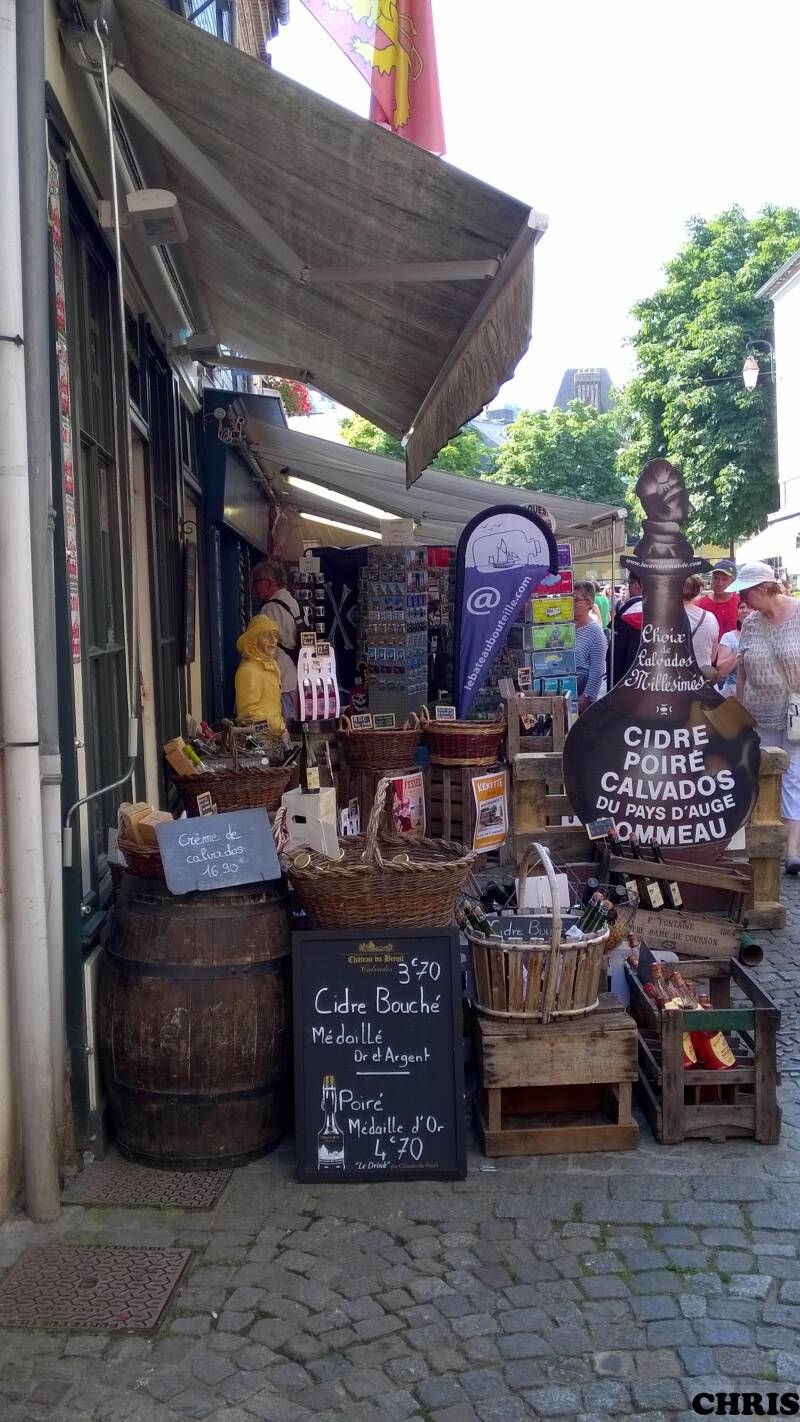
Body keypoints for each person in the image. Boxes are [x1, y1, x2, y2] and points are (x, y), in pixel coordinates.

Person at [731, 561, 800, 873]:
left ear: (763, 588)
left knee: (793, 775)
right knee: (761, 774)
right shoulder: (750, 623)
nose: (742, 599)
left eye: (746, 592)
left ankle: (792, 849)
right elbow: (742, 674)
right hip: (759, 713)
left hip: (796, 712)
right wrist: (739, 710)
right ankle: (762, 840)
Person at [252, 559, 302, 723]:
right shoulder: (291, 602)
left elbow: (263, 649)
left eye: (256, 582)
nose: (253, 588)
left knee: (280, 726)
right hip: (293, 675)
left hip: (281, 678)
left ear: (268, 582)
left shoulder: (270, 608)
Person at [234, 615, 286, 737]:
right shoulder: (249, 670)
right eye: (267, 635)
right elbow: (249, 714)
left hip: (276, 736)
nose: (273, 640)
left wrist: (282, 728)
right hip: (260, 739)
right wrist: (275, 728)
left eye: (275, 635)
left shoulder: (273, 665)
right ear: (254, 640)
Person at [574, 582, 607, 714]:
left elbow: (598, 667)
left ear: (588, 603)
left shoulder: (595, 632)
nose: (571, 603)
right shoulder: (563, 627)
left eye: (576, 600)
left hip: (580, 694)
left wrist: (587, 696)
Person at [608, 573, 643, 685]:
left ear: (637, 585)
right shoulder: (662, 615)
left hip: (624, 683)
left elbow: (616, 658)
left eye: (629, 583)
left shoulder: (623, 618)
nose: (628, 588)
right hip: (652, 682)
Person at [683, 574, 719, 672]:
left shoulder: (661, 618)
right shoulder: (710, 618)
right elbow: (712, 657)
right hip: (702, 677)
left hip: (672, 679)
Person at [695, 557, 739, 637]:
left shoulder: (741, 603)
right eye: (716, 578)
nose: (719, 583)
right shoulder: (699, 605)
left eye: (724, 579)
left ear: (733, 581)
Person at [715, 599, 750, 697]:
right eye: (742, 607)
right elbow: (722, 671)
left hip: (759, 693)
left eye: (749, 607)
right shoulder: (729, 637)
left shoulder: (766, 635)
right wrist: (741, 646)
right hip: (733, 692)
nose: (745, 610)